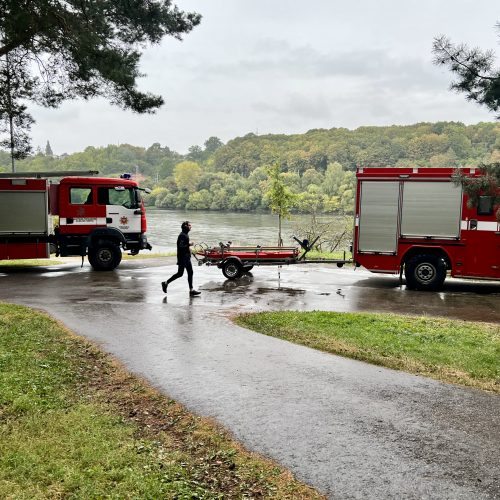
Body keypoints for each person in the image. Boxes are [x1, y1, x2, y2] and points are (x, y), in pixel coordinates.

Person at [162, 221, 201, 296]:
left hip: (185, 257)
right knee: (183, 273)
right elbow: (181, 246)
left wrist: (189, 248)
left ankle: (191, 290)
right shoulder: (183, 235)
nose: (190, 227)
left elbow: (183, 245)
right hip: (183, 257)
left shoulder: (185, 234)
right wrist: (189, 244)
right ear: (185, 226)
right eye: (189, 225)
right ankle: (165, 283)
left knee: (186, 273)